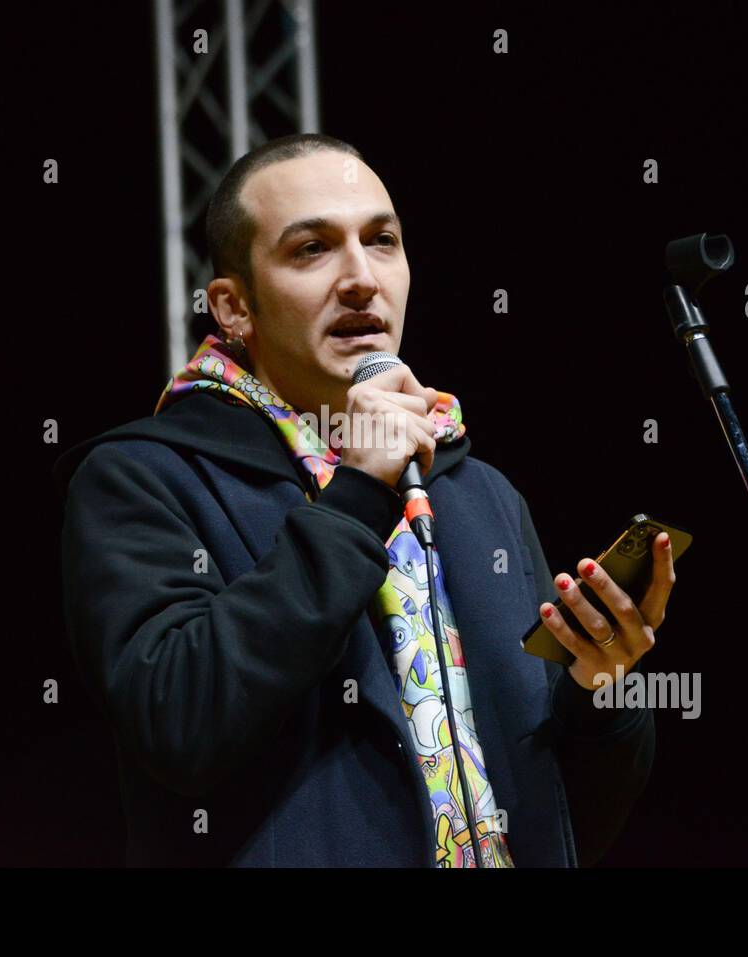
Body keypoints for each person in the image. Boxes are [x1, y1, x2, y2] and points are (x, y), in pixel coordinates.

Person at [52, 133, 674, 867]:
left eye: (382, 241)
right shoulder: (142, 478)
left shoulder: (477, 492)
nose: (360, 279)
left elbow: (566, 818)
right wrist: (356, 495)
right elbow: (180, 720)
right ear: (233, 307)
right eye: (312, 249)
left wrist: (596, 680)